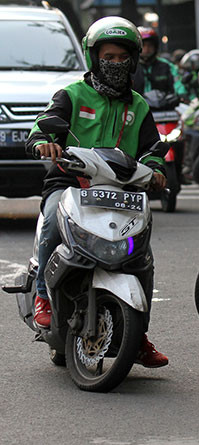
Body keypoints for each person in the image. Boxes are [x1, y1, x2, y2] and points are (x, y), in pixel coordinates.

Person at [25, 16, 169, 367]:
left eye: (122, 57)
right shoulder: (72, 96)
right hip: (70, 184)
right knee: (51, 223)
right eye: (109, 56)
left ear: (133, 60)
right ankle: (43, 296)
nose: (116, 64)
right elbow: (41, 129)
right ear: (94, 58)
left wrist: (158, 171)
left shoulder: (138, 106)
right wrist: (45, 144)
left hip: (120, 191)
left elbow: (153, 149)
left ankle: (138, 335)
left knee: (141, 257)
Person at [132, 26, 187, 100]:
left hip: (165, 109)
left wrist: (182, 94)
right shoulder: (130, 66)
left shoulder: (167, 66)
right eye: (143, 45)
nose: (147, 49)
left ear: (155, 47)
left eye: (150, 45)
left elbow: (177, 84)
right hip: (137, 109)